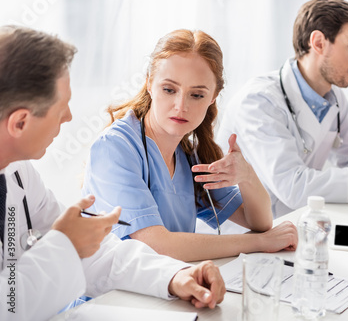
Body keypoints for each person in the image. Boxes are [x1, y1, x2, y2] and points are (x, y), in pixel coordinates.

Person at [0, 26, 226, 321]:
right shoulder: (117, 145)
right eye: (61, 108)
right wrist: (65, 246)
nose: (69, 117)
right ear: (19, 123)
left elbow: (99, 253)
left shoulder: (19, 174)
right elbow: (9, 304)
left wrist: (176, 276)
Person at [82, 29, 297, 262]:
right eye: (169, 90)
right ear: (149, 84)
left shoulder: (190, 155)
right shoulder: (115, 148)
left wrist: (247, 175)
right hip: (110, 296)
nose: (180, 105)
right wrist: (259, 243)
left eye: (196, 95)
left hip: (167, 288)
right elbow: (156, 245)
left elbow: (258, 221)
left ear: (213, 96)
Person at [216, 0, 348, 217]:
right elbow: (292, 186)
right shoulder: (259, 101)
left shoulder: (333, 98)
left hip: (294, 223)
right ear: (319, 43)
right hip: (242, 234)